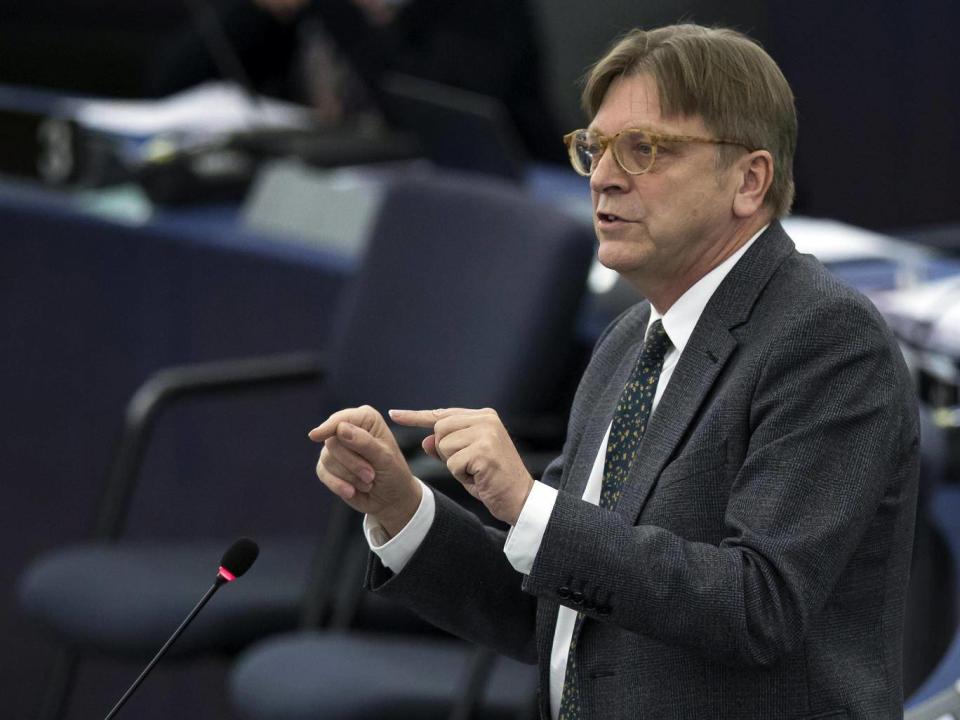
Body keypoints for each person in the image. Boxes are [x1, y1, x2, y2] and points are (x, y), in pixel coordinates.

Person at [308, 24, 920, 719]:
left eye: (645, 149)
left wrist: (528, 505)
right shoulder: (631, 339)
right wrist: (402, 508)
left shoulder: (827, 342)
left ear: (749, 181)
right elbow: (552, 600)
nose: (603, 175)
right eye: (594, 149)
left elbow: (758, 607)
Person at [150, 0, 563, 162]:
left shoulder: (482, 13)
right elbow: (172, 82)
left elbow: (433, 118)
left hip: (511, 195)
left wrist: (346, 13)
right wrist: (258, 11)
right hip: (332, 188)